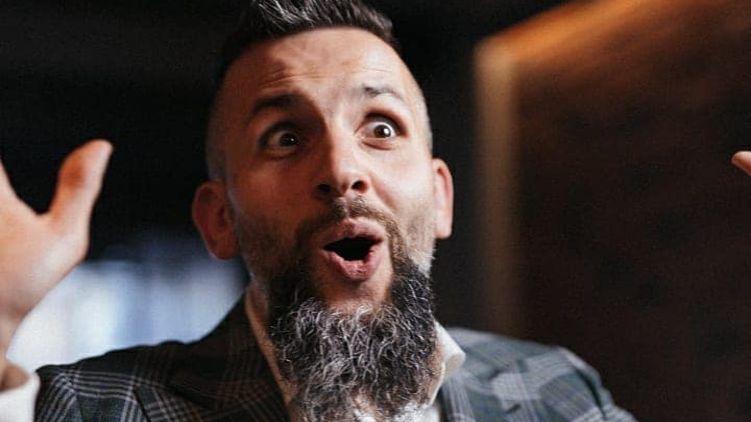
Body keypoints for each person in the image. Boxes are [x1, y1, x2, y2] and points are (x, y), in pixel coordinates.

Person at [10, 0, 747, 420]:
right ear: (219, 219)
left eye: (381, 129)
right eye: (285, 137)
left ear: (441, 196)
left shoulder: (555, 390)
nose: (342, 170)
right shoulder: (94, 406)